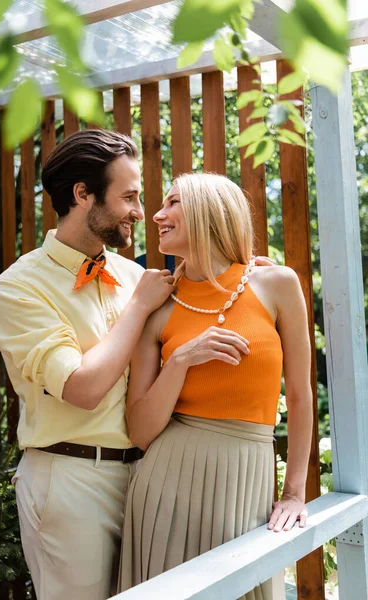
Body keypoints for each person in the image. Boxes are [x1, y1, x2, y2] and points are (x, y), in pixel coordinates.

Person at [0, 129, 176, 600]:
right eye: (128, 196)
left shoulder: (137, 277)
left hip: (146, 481)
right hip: (70, 481)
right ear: (82, 194)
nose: (139, 211)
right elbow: (82, 387)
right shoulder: (17, 288)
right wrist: (137, 308)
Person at [118, 172, 313, 599]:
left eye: (172, 203)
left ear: (209, 210)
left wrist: (295, 492)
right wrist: (182, 361)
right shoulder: (158, 306)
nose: (156, 214)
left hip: (248, 477)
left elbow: (300, 396)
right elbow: (140, 430)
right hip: (165, 485)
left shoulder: (277, 284)